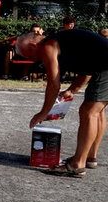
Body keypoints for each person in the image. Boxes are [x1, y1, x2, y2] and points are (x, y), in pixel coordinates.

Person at [19, 29, 108, 177]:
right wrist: (72, 90)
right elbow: (86, 69)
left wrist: (43, 113)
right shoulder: (66, 41)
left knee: (89, 112)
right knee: (97, 111)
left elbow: (54, 84)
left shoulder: (49, 45)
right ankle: (89, 157)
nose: (34, 60)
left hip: (105, 66)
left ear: (33, 45)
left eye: (29, 55)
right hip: (103, 65)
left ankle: (77, 165)